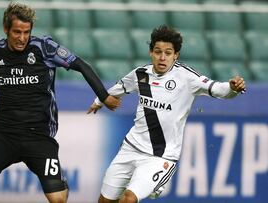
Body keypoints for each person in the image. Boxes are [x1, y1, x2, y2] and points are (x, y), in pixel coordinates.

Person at [0, 2, 120, 203]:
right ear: (6, 29)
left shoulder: (45, 48)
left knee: (58, 199)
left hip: (39, 137)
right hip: (4, 135)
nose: (22, 38)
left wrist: (104, 96)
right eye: (17, 32)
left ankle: (60, 183)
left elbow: (80, 65)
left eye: (26, 32)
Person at [87, 25, 246, 203]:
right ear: (150, 52)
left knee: (129, 199)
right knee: (105, 201)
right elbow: (119, 88)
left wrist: (232, 88)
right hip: (130, 148)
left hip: (160, 157)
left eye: (168, 53)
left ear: (175, 55)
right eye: (158, 52)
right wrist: (98, 102)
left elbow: (218, 89)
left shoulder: (187, 77)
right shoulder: (141, 74)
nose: (162, 58)